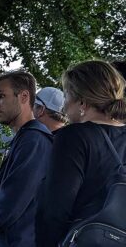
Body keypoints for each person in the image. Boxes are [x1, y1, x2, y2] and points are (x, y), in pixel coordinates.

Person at [35, 60, 126, 246]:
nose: (64, 105)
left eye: (67, 94)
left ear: (82, 102)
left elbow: (55, 209)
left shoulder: (74, 137)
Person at [0, 71, 53, 247]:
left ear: (24, 96)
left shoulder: (34, 140)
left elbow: (11, 201)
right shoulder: (24, 138)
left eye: (1, 96)